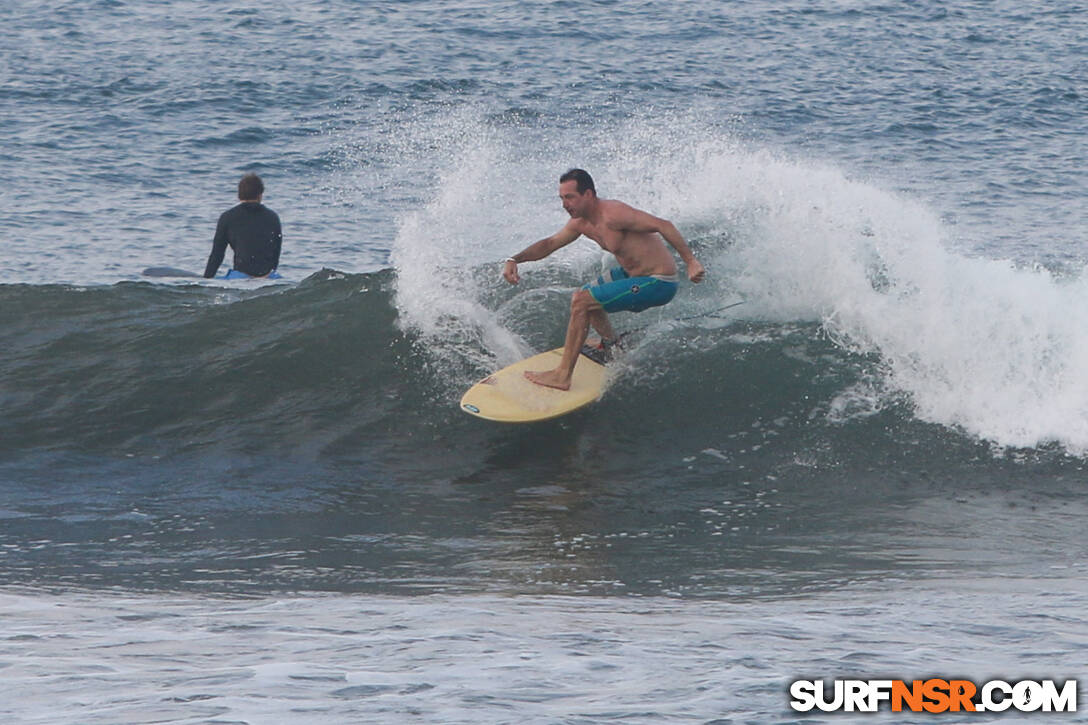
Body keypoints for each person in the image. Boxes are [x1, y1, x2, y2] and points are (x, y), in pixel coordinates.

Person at [503, 168, 706, 390]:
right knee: (583, 296)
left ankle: (562, 376)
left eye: (570, 197)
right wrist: (515, 259)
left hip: (658, 282)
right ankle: (612, 346)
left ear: (588, 194)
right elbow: (550, 244)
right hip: (632, 275)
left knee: (582, 301)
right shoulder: (580, 222)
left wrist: (690, 262)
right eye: (561, 198)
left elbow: (663, 225)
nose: (564, 204)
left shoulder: (614, 214)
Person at [203, 173, 283, 279]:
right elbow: (276, 253)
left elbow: (217, 254)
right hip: (268, 277)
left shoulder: (227, 217)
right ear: (260, 195)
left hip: (240, 278)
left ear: (239, 195)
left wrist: (206, 280)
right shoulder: (273, 217)